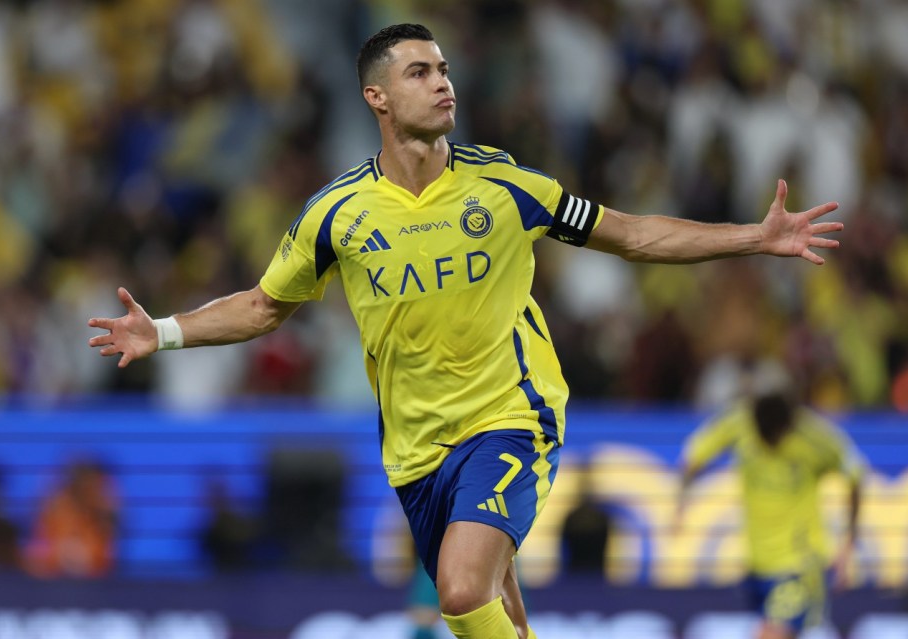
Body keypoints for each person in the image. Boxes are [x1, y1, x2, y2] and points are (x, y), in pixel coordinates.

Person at [87, 23, 843, 639]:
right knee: (499, 614)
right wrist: (163, 330)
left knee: (457, 589)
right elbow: (263, 305)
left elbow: (634, 235)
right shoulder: (336, 214)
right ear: (375, 97)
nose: (442, 81)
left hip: (510, 417)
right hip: (416, 451)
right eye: (419, 71)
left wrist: (752, 235)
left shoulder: (507, 185)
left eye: (444, 68)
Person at [675, 389, 863, 639]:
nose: (767, 442)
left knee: (769, 635)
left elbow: (857, 475)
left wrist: (847, 545)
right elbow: (693, 456)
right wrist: (682, 501)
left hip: (799, 565)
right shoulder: (739, 423)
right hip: (757, 566)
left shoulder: (814, 437)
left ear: (789, 425)